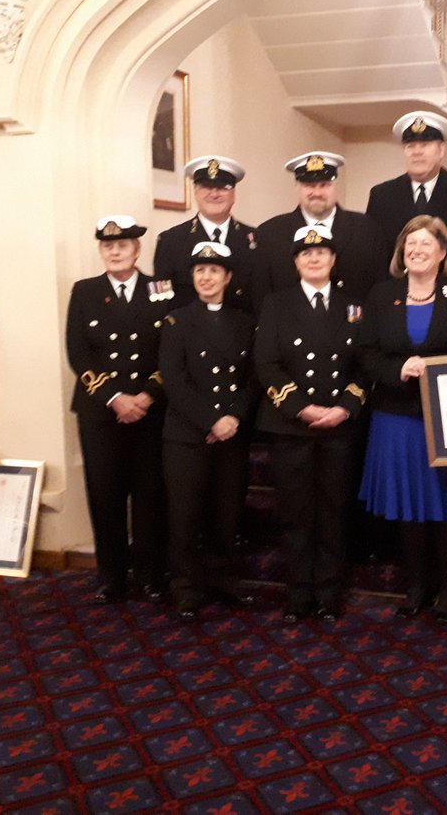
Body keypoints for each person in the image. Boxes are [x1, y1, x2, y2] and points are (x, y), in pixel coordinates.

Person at [357, 216, 447, 623]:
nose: (416, 250)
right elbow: (366, 352)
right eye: (410, 244)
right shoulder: (382, 295)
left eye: (426, 244)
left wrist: (432, 365)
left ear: (443, 252)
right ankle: (415, 586)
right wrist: (399, 369)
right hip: (395, 416)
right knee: (408, 506)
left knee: (444, 506)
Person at [254, 224, 368, 622]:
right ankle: (299, 593)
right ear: (296, 262)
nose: (314, 258)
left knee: (335, 512)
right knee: (296, 514)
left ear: (333, 259)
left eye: (321, 253)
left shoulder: (354, 307)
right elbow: (266, 363)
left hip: (339, 426)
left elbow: (364, 365)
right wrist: (301, 408)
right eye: (305, 253)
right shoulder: (276, 304)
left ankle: (330, 593)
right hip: (292, 428)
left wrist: (345, 408)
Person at [65, 216, 172, 602]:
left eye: (123, 245)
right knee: (105, 494)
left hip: (149, 411)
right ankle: (111, 575)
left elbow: (170, 351)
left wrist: (145, 397)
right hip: (101, 412)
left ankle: (149, 574)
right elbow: (78, 352)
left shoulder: (161, 290)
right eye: (107, 245)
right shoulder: (85, 291)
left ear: (137, 249)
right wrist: (115, 398)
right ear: (100, 250)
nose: (114, 251)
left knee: (149, 495)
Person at [159, 241, 258, 622]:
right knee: (184, 516)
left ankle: (224, 581)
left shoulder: (244, 321)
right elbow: (174, 379)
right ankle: (185, 588)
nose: (206, 277)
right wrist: (210, 421)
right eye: (200, 270)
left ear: (227, 277)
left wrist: (232, 418)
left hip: (231, 435)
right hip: (187, 435)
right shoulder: (176, 321)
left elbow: (252, 378)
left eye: (214, 270)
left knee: (226, 514)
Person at [253, 151, 388, 304]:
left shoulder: (367, 229)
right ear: (297, 188)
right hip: (291, 327)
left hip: (356, 325)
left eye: (324, 185)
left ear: (335, 186)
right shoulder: (270, 234)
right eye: (309, 185)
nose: (317, 193)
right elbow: (261, 297)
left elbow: (381, 290)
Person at [153, 156, 258, 311]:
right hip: (188, 332)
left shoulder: (255, 239)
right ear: (195, 191)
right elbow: (160, 297)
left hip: (243, 332)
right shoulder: (170, 241)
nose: (214, 194)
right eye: (206, 186)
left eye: (223, 187)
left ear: (233, 194)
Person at [364, 111, 447, 245]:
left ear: (441, 150)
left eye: (425, 145)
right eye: (410, 146)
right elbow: (372, 248)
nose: (417, 152)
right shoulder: (382, 195)